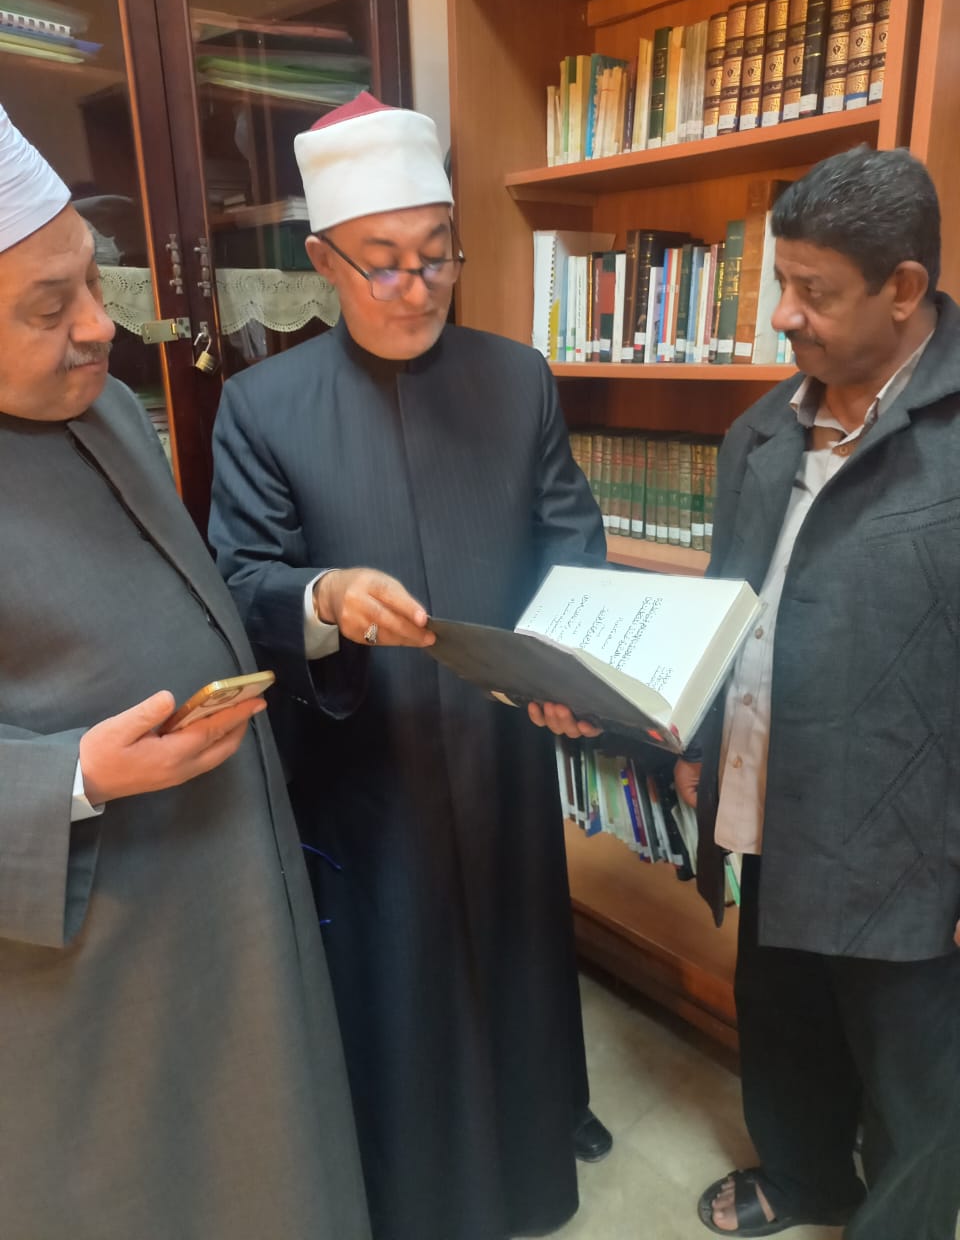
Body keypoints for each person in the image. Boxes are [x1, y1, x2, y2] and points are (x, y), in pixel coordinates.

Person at [208, 93, 611, 1240]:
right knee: (399, 987)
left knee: (519, 964)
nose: (416, 287)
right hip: (366, 758)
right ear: (323, 262)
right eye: (381, 262)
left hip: (498, 745)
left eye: (437, 255)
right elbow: (239, 578)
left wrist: (572, 669)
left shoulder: (517, 376)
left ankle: (532, 1160)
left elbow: (569, 543)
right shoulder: (262, 405)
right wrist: (326, 596)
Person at [0, 105, 370, 1238]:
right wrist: (75, 777)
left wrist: (313, 607)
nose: (98, 327)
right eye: (48, 307)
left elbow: (191, 595)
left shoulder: (110, 407)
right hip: (96, 946)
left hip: (231, 875)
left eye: (93, 278)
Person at [673, 145, 960, 1240]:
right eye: (779, 281)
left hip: (910, 835)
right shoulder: (761, 429)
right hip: (769, 800)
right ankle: (804, 1180)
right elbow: (726, 604)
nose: (781, 314)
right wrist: (695, 734)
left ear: (904, 287)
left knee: (917, 1079)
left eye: (813, 290)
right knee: (783, 1019)